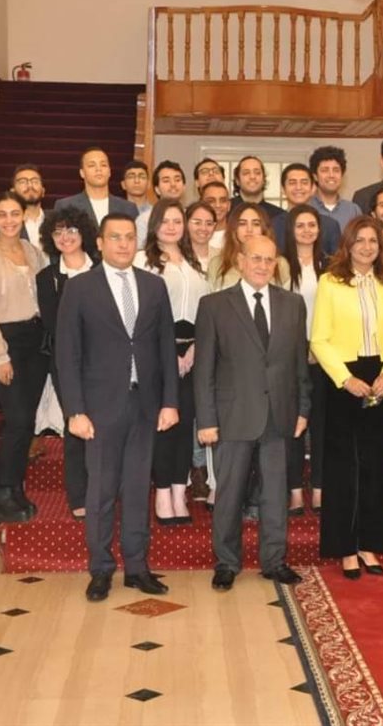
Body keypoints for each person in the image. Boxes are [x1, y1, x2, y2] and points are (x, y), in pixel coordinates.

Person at [56, 212, 180, 602]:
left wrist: (170, 402)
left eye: (129, 237)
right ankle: (101, 568)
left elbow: (166, 347)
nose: (123, 244)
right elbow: (67, 353)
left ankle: (137, 567)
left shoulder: (154, 286)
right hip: (99, 408)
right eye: (115, 237)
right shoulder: (80, 288)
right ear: (99, 243)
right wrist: (74, 410)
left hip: (145, 405)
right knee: (101, 491)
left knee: (139, 487)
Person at [195, 235, 311, 592]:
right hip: (232, 416)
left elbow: (299, 364)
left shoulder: (293, 304)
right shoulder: (214, 306)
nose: (262, 265)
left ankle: (274, 561)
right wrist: (206, 420)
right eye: (256, 258)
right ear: (240, 261)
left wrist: (303, 409)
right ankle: (227, 562)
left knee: (276, 493)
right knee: (229, 494)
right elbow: (204, 369)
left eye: (269, 259)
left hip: (280, 414)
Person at [311, 217, 383, 579]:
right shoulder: (330, 282)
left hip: (380, 378)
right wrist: (345, 379)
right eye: (361, 240)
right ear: (348, 244)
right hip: (343, 378)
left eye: (374, 241)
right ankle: (345, 548)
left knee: (376, 465)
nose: (368, 247)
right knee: (343, 466)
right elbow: (319, 340)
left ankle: (370, 544)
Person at [0, 191, 49, 523]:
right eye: (2, 214)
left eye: (15, 214)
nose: (9, 220)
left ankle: (17, 489)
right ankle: (3, 493)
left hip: (36, 344)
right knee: (17, 419)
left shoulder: (33, 251)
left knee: (27, 421)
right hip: (6, 343)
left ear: (24, 216)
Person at [137, 201, 210, 526]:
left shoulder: (194, 262)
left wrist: (194, 348)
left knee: (185, 427)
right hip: (157, 352)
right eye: (164, 220)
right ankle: (163, 493)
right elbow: (143, 316)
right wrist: (170, 353)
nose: (171, 226)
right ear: (154, 224)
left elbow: (205, 310)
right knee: (164, 426)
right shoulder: (143, 261)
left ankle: (180, 492)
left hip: (193, 352)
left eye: (177, 221)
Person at [36, 205, 99, 520]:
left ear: (83, 233)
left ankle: (105, 488)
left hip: (105, 361)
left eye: (71, 230)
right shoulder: (47, 278)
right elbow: (53, 323)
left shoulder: (102, 268)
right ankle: (79, 494)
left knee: (105, 424)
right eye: (58, 232)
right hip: (66, 363)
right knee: (75, 424)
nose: (65, 237)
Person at [284, 204, 329, 514]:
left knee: (323, 425)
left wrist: (318, 347)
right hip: (289, 354)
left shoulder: (331, 265)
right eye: (300, 225)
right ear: (291, 229)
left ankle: (321, 488)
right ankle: (295, 490)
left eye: (312, 225)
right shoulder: (280, 264)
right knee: (293, 425)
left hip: (325, 355)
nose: (306, 230)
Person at [184, 199, 220, 503]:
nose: (203, 228)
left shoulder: (223, 257)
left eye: (209, 223)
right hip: (183, 342)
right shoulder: (178, 257)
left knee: (209, 408)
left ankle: (209, 472)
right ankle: (193, 468)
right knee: (190, 409)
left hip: (216, 343)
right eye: (197, 221)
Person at [207, 204, 290, 290]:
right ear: (234, 229)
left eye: (256, 224)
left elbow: (286, 297)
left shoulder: (280, 264)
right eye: (242, 224)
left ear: (264, 229)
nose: (249, 229)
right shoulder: (217, 264)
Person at [54, 148, 138, 226]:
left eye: (103, 165)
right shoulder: (65, 206)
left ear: (109, 171)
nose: (98, 169)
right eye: (92, 165)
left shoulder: (128, 208)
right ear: (82, 173)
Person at [272, 163, 341, 256]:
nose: (298, 187)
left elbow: (337, 261)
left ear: (313, 188)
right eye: (292, 183)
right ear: (283, 189)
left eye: (304, 182)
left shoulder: (330, 225)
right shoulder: (273, 225)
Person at [0, 164, 47, 254]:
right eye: (23, 182)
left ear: (43, 191)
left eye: (35, 181)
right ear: (13, 192)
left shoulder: (56, 221)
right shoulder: (1, 223)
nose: (30, 186)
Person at [308, 146, 363, 231]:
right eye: (325, 170)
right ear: (315, 176)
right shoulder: (306, 207)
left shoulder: (353, 210)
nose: (331, 175)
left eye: (336, 170)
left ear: (342, 175)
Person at [231, 155, 285, 221]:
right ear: (237, 180)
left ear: (263, 179)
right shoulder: (226, 210)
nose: (252, 177)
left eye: (257, 173)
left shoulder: (279, 215)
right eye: (246, 173)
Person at [120, 160, 153, 241]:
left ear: (149, 184)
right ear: (123, 185)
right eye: (131, 177)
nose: (137, 181)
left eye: (142, 177)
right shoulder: (116, 212)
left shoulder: (155, 213)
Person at [200, 180, 232, 251]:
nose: (218, 205)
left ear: (229, 205)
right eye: (211, 201)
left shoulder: (237, 236)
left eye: (223, 201)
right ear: (201, 204)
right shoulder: (192, 236)